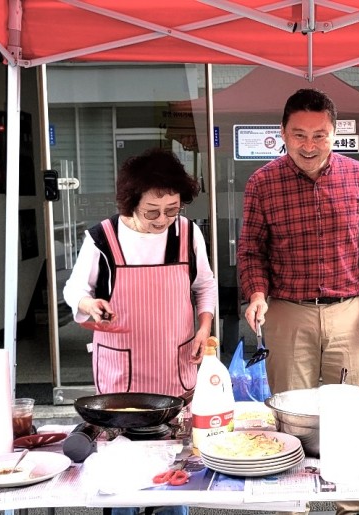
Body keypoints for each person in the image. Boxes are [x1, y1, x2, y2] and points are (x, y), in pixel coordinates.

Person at [237, 88, 359, 515]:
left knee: (349, 410)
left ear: (334, 133)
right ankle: (294, 502)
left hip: (349, 311)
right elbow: (251, 250)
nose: (309, 145)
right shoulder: (262, 183)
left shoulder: (357, 175)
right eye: (299, 135)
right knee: (291, 412)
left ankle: (349, 501)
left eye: (320, 135)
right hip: (288, 311)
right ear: (282, 134)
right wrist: (256, 293)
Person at [64, 147, 218, 515]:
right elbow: (74, 290)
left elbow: (205, 286)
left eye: (172, 209)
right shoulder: (102, 239)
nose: (163, 219)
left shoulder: (187, 234)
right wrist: (89, 305)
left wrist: (203, 328)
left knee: (174, 466)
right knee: (123, 477)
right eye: (152, 212)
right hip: (122, 377)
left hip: (173, 363)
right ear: (129, 203)